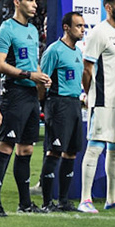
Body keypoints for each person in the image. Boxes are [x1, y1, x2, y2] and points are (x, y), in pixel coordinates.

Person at [0, 0, 47, 217]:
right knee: (5, 146)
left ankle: (25, 204)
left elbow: (33, 63)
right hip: (14, 94)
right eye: (30, 0)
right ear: (17, 2)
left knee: (26, 149)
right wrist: (28, 75)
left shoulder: (33, 30)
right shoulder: (7, 29)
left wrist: (41, 79)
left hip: (31, 95)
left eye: (35, 0)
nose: (35, 4)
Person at [80, 0, 115, 213]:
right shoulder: (98, 33)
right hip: (102, 99)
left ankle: (112, 198)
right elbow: (87, 68)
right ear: (109, 8)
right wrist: (88, 94)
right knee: (95, 147)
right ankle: (85, 199)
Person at [36, 12, 87, 212]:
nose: (82, 30)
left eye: (83, 26)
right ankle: (47, 202)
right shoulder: (54, 51)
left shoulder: (77, 52)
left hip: (74, 104)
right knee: (54, 151)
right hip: (58, 104)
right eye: (78, 26)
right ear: (66, 27)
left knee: (71, 152)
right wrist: (45, 105)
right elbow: (42, 80)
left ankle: (64, 201)